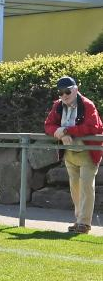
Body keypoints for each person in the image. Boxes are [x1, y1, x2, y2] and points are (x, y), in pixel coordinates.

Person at [45, 76, 103, 234]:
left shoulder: (87, 105)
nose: (64, 95)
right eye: (61, 92)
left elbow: (93, 127)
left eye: (67, 91)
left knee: (86, 186)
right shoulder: (58, 106)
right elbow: (48, 125)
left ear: (75, 90)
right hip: (70, 153)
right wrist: (61, 135)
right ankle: (79, 220)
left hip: (88, 153)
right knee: (75, 188)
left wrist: (66, 130)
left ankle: (84, 223)